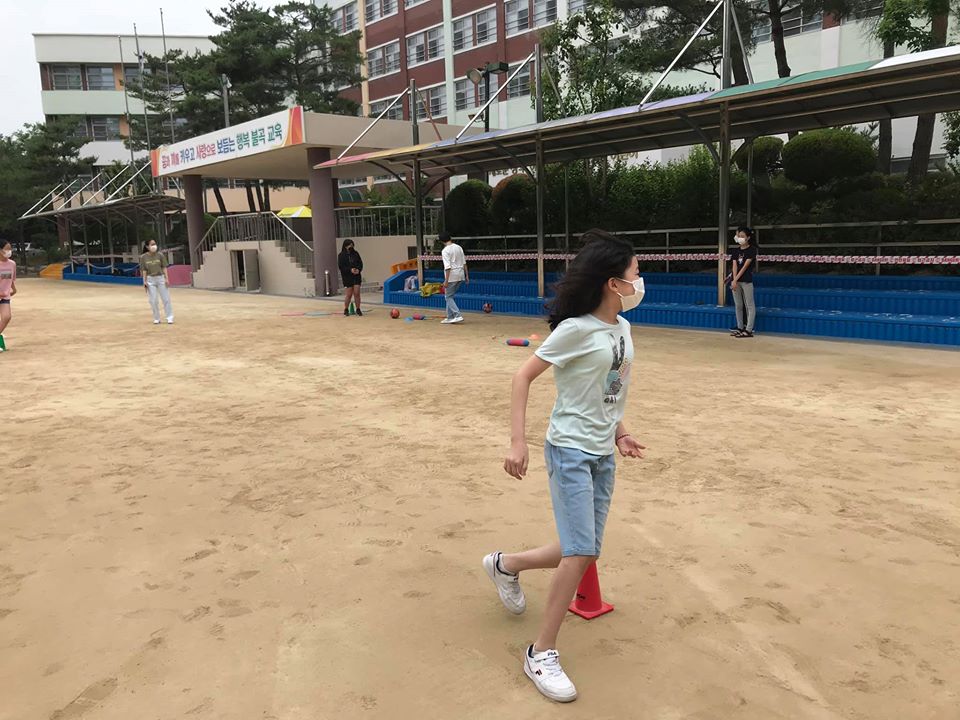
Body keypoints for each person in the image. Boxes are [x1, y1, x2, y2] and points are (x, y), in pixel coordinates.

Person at [486, 229, 647, 703]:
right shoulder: (575, 329)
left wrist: (620, 432)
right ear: (613, 283)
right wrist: (518, 442)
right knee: (579, 552)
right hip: (570, 450)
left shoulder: (623, 328)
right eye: (636, 273)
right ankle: (540, 652)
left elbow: (609, 389)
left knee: (585, 549)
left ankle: (505, 565)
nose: (641, 281)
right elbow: (522, 376)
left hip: (601, 451)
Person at [729, 226, 758, 338]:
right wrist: (734, 280)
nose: (739, 238)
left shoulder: (752, 250)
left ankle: (749, 329)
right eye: (738, 236)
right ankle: (740, 327)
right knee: (738, 305)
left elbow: (745, 267)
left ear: (748, 238)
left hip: (746, 281)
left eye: (742, 236)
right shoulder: (735, 251)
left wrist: (735, 279)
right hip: (735, 281)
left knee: (749, 305)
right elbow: (734, 266)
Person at [140, 241, 174, 325]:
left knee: (166, 299)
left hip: (160, 278)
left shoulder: (160, 255)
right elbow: (144, 270)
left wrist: (167, 278)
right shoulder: (143, 257)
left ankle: (169, 317)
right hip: (150, 279)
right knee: (153, 300)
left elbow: (164, 267)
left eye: (155, 244)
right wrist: (144, 281)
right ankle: (156, 318)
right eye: (152, 244)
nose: (154, 246)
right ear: (147, 247)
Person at [439, 231, 468, 324]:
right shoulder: (459, 247)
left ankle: (457, 315)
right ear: (450, 238)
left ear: (441, 241)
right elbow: (464, 263)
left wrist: (446, 280)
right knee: (450, 296)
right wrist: (467, 276)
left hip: (452, 276)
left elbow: (447, 267)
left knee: (448, 297)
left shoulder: (445, 251)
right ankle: (449, 317)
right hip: (461, 274)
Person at [338, 239, 364, 316]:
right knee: (349, 294)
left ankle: (358, 309)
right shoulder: (341, 255)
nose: (351, 247)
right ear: (345, 246)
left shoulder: (355, 254)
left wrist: (358, 269)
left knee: (357, 293)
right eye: (349, 245)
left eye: (352, 245)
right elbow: (341, 267)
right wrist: (350, 270)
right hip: (347, 276)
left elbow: (360, 263)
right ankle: (346, 309)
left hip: (356, 276)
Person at [0, 240, 17, 352]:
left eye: (10, 249)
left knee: (6, 317)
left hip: (4, 295)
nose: (9, 251)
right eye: (7, 249)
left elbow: (9, 278)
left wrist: (14, 289)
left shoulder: (12, 264)